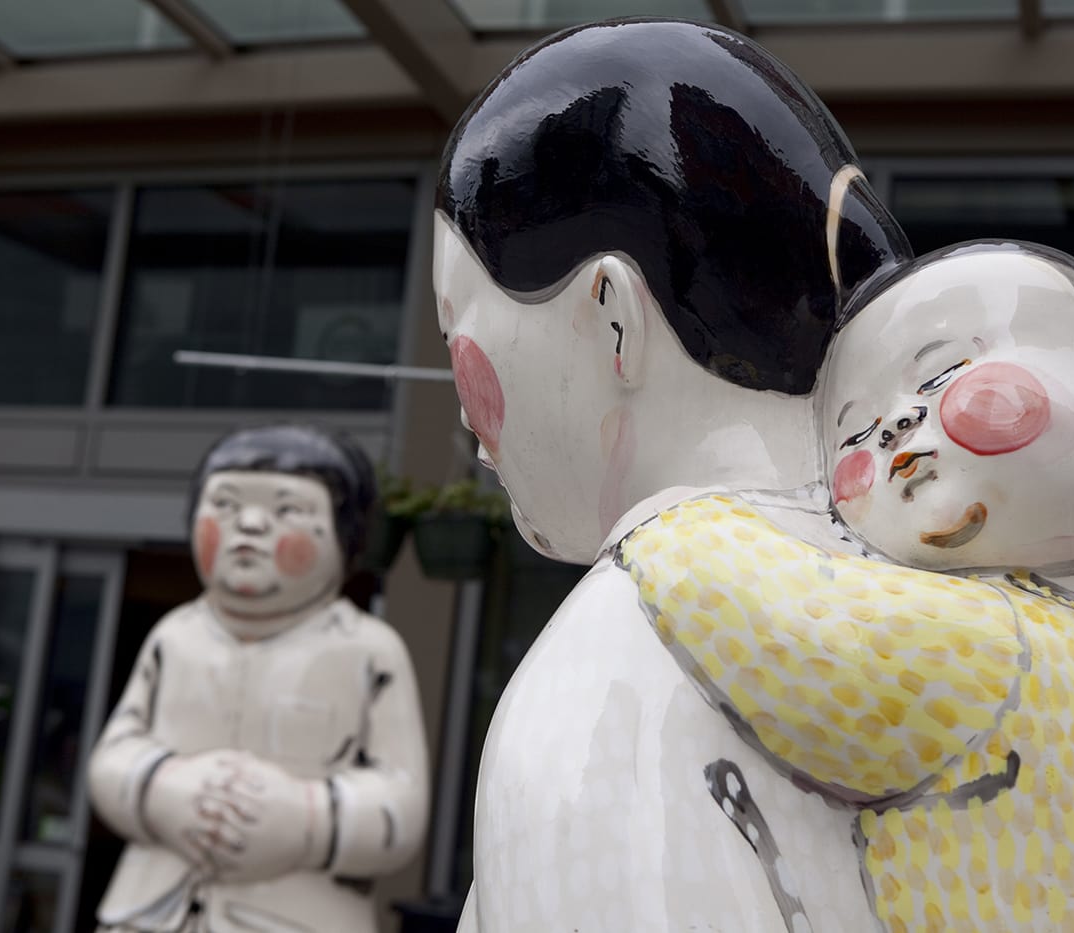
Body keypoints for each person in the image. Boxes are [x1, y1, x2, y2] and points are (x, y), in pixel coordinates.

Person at [616, 243, 1074, 929]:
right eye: (856, 433)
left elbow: (755, 610)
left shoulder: (1005, 647)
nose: (897, 425)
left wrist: (673, 516)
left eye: (941, 378)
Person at [435, 17, 912, 931]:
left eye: (458, 323)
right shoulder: (959, 593)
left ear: (612, 317)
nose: (462, 409)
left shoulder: (621, 676)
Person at [87, 424, 429, 932]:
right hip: (151, 911)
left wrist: (307, 819)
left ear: (345, 535)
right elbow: (114, 753)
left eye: (287, 510)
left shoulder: (369, 652)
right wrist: (163, 790)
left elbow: (402, 798)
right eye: (224, 505)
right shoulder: (173, 637)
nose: (248, 524)